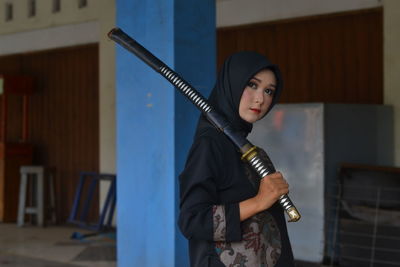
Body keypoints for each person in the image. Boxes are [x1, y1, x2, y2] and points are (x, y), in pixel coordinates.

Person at [178, 51, 295, 267]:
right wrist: (259, 201)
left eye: (269, 91)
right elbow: (192, 220)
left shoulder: (252, 153)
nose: (260, 98)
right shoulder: (210, 145)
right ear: (232, 84)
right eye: (252, 84)